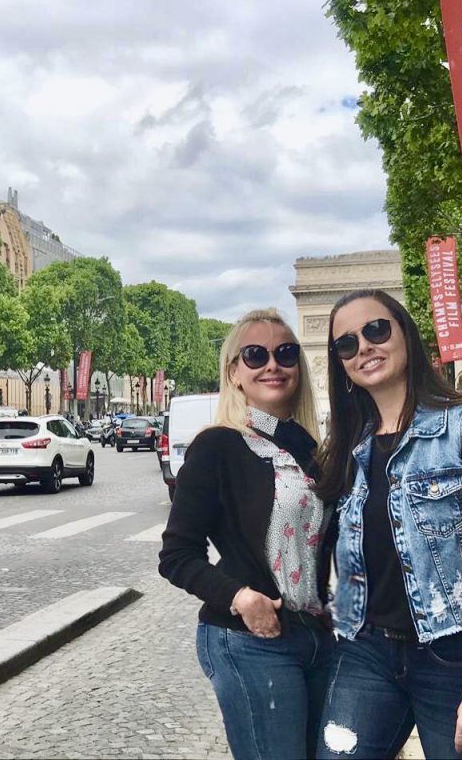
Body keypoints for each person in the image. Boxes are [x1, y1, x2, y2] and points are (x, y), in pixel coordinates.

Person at [314, 290, 462, 759]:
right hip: (366, 652)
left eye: (376, 330)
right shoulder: (349, 446)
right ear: (339, 364)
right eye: (346, 344)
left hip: (459, 654)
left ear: (404, 332)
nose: (363, 347)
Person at [159, 308, 337, 760]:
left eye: (286, 353)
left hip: (315, 637)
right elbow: (177, 555)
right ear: (234, 372)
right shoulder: (217, 445)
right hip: (249, 640)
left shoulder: (310, 450)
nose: (272, 365)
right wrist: (241, 597)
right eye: (255, 355)